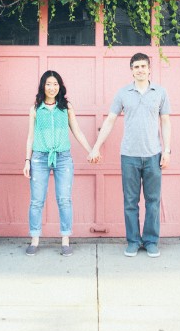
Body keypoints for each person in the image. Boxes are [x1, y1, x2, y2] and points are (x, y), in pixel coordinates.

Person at [88, 53, 171, 257]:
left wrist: (167, 150)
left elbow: (166, 122)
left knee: (152, 201)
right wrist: (96, 146)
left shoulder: (160, 92)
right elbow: (110, 120)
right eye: (136, 67)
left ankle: (151, 241)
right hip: (129, 156)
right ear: (131, 70)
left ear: (149, 68)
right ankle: (133, 241)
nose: (140, 70)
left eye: (143, 66)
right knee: (130, 202)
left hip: (153, 155)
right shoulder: (123, 93)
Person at [23, 70, 92, 256]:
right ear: (42, 86)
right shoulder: (35, 109)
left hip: (62, 158)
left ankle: (65, 240)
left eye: (55, 84)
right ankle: (35, 239)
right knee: (37, 201)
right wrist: (27, 160)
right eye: (48, 84)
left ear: (60, 86)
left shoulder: (66, 107)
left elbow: (77, 131)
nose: (52, 87)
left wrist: (90, 150)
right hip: (39, 158)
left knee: (64, 199)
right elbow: (30, 136)